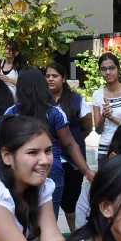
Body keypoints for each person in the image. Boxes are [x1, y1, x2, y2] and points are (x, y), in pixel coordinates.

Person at [2, 68, 90, 220]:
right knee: (48, 220)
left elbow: (4, 144)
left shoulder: (11, 113)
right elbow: (69, 144)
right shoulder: (55, 112)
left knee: (21, 220)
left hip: (19, 172)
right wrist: (86, 170)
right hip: (50, 171)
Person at [45, 62, 93, 224]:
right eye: (48, 76)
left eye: (55, 76)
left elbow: (87, 125)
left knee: (71, 203)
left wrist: (72, 143)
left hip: (73, 161)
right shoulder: (42, 101)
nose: (51, 79)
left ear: (63, 78)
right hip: (50, 159)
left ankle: (76, 239)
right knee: (48, 201)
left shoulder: (76, 100)